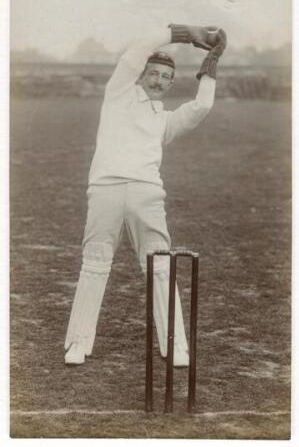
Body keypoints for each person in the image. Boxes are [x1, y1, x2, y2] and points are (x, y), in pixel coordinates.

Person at [64, 23, 227, 366]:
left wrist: (211, 62)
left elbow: (200, 109)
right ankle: (78, 343)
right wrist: (186, 34)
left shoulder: (164, 120)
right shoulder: (118, 93)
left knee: (160, 266)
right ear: (140, 75)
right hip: (105, 190)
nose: (156, 80)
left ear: (170, 84)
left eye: (164, 77)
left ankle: (175, 346)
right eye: (151, 73)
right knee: (95, 264)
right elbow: (139, 46)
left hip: (147, 194)